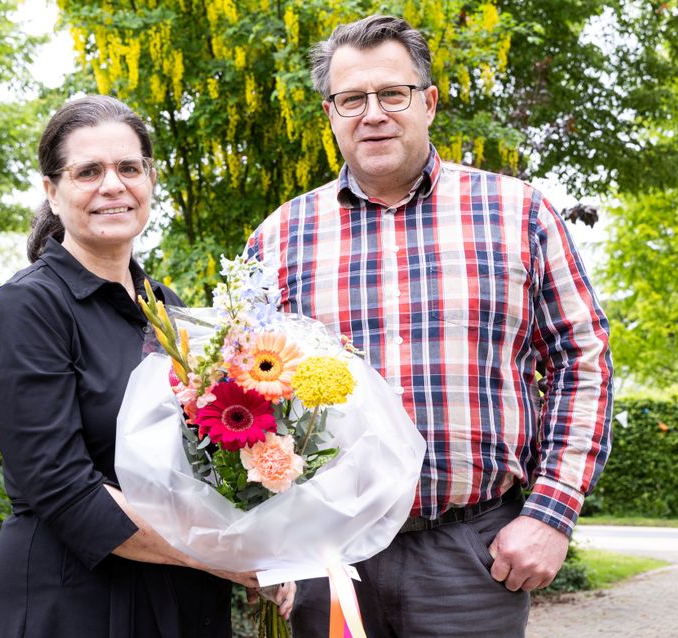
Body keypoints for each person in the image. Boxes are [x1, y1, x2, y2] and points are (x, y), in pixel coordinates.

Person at [246, 15, 613, 637]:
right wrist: (266, 544)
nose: (373, 114)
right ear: (330, 113)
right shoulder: (279, 239)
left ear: (429, 102)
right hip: (329, 561)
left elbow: (583, 360)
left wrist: (551, 514)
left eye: (393, 94)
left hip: (470, 559)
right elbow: (243, 401)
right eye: (351, 99)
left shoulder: (518, 213)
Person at [0, 95, 275, 637]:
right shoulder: (27, 309)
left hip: (180, 595)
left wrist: (270, 528)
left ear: (149, 179)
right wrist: (221, 556)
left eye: (128, 168)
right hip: (77, 599)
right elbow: (63, 487)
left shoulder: (165, 306)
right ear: (52, 191)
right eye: (88, 171)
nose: (113, 185)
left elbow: (202, 462)